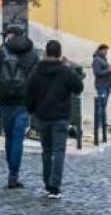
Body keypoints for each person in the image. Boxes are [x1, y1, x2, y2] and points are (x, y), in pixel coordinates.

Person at [25, 40, 84, 199]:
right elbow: (78, 87)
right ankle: (55, 186)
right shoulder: (65, 71)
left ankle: (46, 183)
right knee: (59, 151)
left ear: (46, 53)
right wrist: (69, 66)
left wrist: (31, 109)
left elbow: (29, 90)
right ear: (59, 54)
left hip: (43, 116)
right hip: (61, 117)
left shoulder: (37, 70)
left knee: (46, 151)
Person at [0, 24, 40, 188]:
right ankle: (13, 174)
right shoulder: (32, 53)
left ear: (10, 35)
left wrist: (0, 93)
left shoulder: (0, 52)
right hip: (23, 103)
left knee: (9, 137)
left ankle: (12, 170)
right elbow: (37, 78)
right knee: (18, 138)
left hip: (5, 102)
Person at [92, 44, 111, 137]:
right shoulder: (97, 60)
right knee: (101, 105)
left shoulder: (103, 59)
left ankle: (102, 122)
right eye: (105, 50)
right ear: (100, 50)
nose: (106, 52)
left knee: (103, 105)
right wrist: (109, 70)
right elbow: (97, 73)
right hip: (102, 86)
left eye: (107, 51)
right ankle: (100, 124)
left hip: (106, 86)